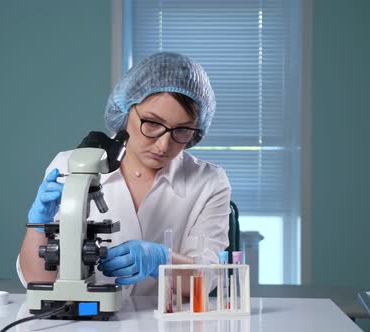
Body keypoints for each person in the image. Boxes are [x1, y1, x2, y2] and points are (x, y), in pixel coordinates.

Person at [17, 52, 231, 296]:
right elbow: (37, 281)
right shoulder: (71, 165)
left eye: (182, 130)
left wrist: (162, 261)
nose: (163, 145)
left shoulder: (209, 182)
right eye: (152, 123)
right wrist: (38, 226)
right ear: (126, 111)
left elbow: (206, 281)